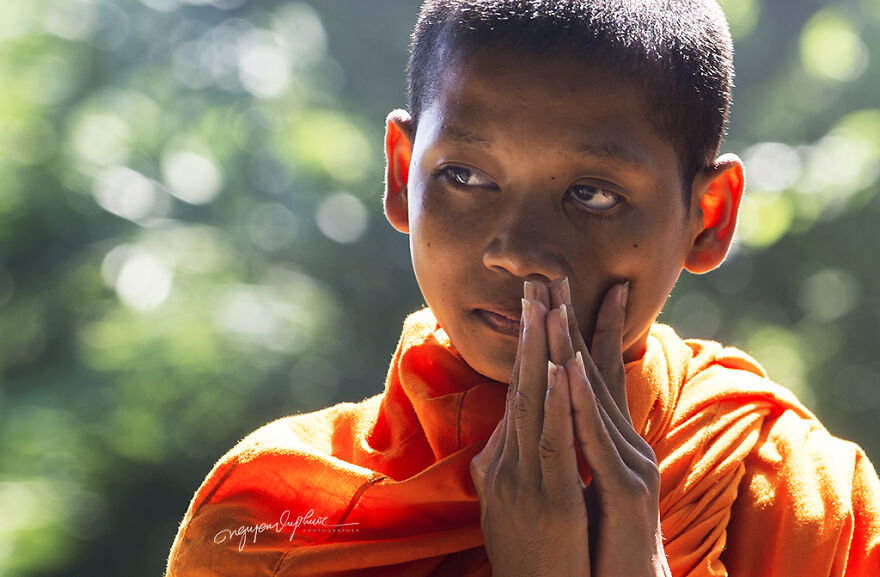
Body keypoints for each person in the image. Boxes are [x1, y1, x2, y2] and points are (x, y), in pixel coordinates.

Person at [164, 1, 880, 575]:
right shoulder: (273, 523)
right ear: (401, 174)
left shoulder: (795, 490)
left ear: (708, 217)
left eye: (593, 194)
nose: (518, 251)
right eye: (466, 177)